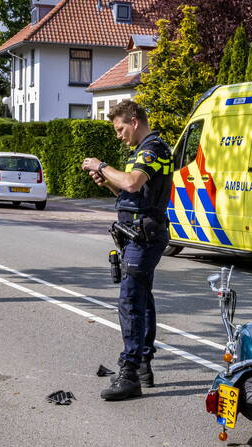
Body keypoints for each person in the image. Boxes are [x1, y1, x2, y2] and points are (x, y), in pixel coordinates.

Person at [82, 101, 173, 401]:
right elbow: (129, 194)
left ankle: (130, 371)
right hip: (138, 233)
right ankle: (143, 364)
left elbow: (133, 184)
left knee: (130, 300)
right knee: (142, 297)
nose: (119, 135)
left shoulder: (153, 148)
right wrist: (107, 181)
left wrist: (101, 166)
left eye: (120, 129)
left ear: (134, 121)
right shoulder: (142, 151)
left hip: (145, 235)